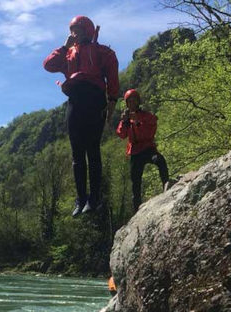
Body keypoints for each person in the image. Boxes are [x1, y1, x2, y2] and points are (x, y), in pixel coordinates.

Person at [43, 16, 119, 217]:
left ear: (88, 30)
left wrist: (111, 106)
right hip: (75, 101)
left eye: (78, 30)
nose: (74, 34)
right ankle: (81, 199)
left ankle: (94, 199)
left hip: (94, 100)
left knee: (92, 150)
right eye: (72, 30)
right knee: (77, 153)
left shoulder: (103, 52)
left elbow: (112, 79)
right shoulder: (68, 53)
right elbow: (48, 65)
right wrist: (63, 46)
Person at [116, 89, 171, 211]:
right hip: (135, 151)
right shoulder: (126, 118)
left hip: (147, 148)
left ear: (138, 101)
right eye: (129, 101)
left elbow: (151, 127)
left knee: (160, 160)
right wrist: (125, 122)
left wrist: (137, 122)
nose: (132, 103)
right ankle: (137, 209)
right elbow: (121, 134)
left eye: (134, 100)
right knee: (135, 182)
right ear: (127, 103)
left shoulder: (146, 115)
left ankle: (166, 185)